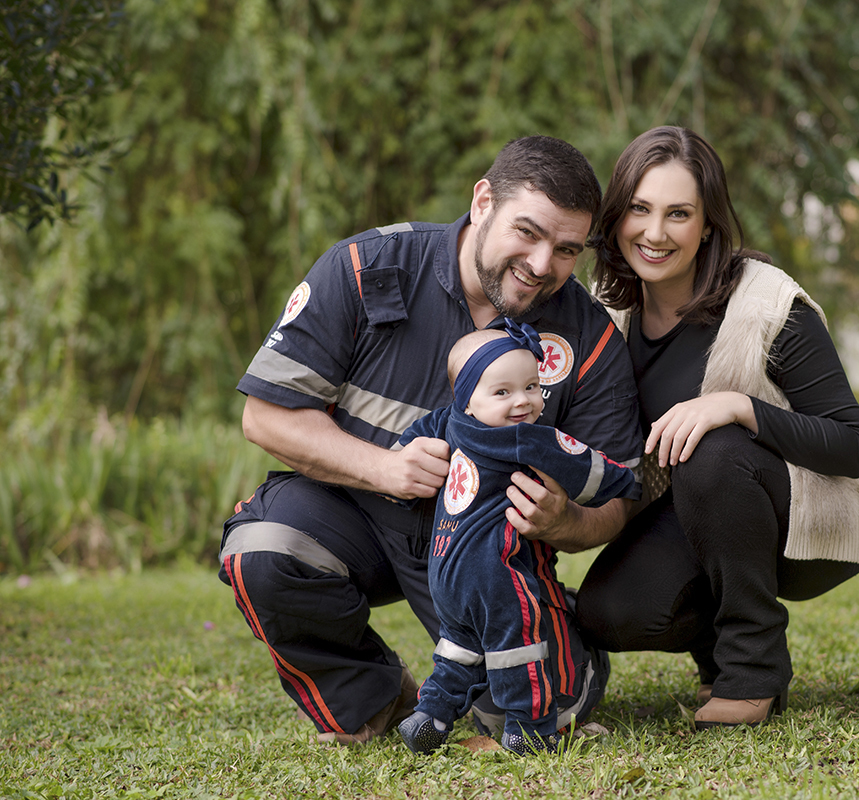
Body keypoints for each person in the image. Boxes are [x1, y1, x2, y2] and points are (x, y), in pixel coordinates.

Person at [217, 136, 643, 746]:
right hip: (356, 513)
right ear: (483, 201)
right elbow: (266, 416)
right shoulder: (366, 268)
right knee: (262, 549)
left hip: (487, 551)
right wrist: (384, 468)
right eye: (527, 231)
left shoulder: (590, 339)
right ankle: (376, 699)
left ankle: (565, 645)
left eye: (567, 249)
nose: (543, 263)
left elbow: (618, 500)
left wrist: (566, 521)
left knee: (529, 714)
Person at [574, 126, 859, 728]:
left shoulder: (768, 306)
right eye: (639, 209)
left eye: (679, 213)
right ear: (616, 218)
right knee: (608, 612)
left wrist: (737, 407)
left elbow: (852, 446)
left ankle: (753, 671)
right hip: (697, 510)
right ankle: (718, 655)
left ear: (709, 224)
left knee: (712, 448)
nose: (655, 232)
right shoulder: (608, 311)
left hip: (813, 515)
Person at [393, 322, 638, 755]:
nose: (522, 401)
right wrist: (627, 482)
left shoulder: (447, 423)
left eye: (531, 386)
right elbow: (584, 465)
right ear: (467, 399)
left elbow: (407, 445)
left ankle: (428, 717)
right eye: (502, 393)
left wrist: (400, 464)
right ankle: (530, 730)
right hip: (494, 574)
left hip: (446, 571)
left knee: (458, 649)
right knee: (518, 649)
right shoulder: (526, 439)